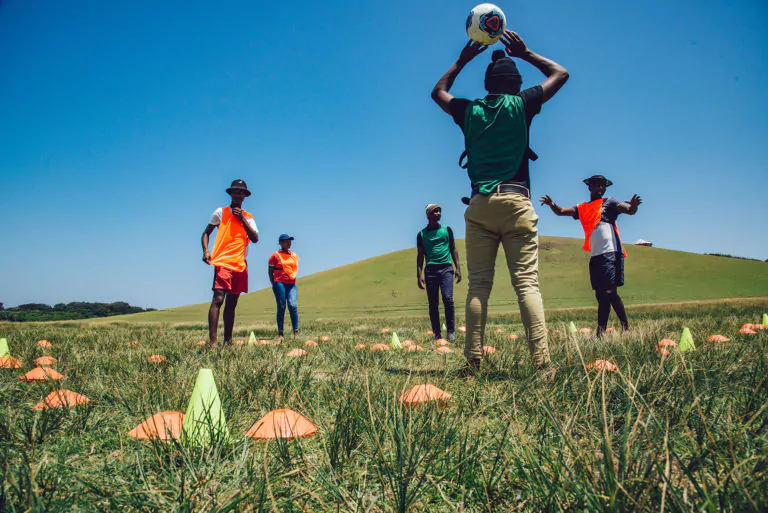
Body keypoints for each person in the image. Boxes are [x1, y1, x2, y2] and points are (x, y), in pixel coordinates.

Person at [431, 30, 569, 377]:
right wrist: (525, 53)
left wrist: (461, 61)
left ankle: (473, 361)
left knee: (478, 285)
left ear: (489, 84)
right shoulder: (523, 104)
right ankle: (542, 365)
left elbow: (438, 92)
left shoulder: (469, 110)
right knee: (526, 284)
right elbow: (560, 74)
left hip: (479, 205)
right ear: (516, 83)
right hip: (516, 201)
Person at [540, 175, 642, 336]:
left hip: (611, 252)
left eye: (603, 186)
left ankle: (612, 330)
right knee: (602, 295)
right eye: (598, 185)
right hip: (596, 255)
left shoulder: (611, 202)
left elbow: (630, 211)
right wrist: (552, 204)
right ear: (590, 187)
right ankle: (613, 330)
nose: (601, 188)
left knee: (609, 292)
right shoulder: (583, 208)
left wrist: (634, 206)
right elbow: (560, 212)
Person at [201, 179, 259, 347]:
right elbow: (206, 233)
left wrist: (243, 219)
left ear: (245, 196)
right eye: (236, 191)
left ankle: (228, 340)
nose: (239, 194)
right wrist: (206, 250)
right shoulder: (221, 212)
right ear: (230, 193)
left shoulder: (249, 217)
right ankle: (213, 341)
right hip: (223, 261)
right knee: (218, 299)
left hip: (240, 264)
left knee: (232, 303)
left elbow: (255, 238)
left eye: (242, 192)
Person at [417, 204, 462, 341]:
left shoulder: (447, 230)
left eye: (439, 211)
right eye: (435, 211)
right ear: (429, 215)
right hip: (430, 270)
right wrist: (419, 275)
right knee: (433, 303)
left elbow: (453, 249)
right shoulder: (422, 235)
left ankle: (450, 332)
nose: (438, 213)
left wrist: (458, 268)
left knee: (448, 299)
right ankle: (437, 334)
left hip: (446, 268)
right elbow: (420, 256)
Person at [268, 234, 299, 342]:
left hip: (291, 283)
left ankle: (296, 332)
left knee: (293, 305)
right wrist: (273, 283)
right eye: (286, 241)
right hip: (279, 283)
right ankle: (280, 334)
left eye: (290, 241)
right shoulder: (275, 255)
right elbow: (270, 271)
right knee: (281, 306)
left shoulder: (294, 255)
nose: (289, 243)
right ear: (281, 242)